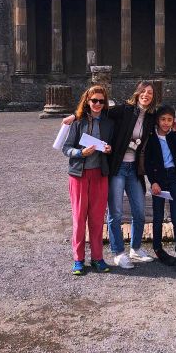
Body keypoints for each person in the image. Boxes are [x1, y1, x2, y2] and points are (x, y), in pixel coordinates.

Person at [62, 85, 114, 275]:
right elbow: (66, 148)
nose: (98, 104)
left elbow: (112, 146)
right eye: (94, 101)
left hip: (100, 174)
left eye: (101, 101)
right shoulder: (78, 122)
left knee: (97, 219)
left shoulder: (109, 123)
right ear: (87, 101)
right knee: (78, 218)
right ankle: (78, 259)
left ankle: (98, 258)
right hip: (79, 175)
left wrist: (109, 149)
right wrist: (80, 152)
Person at [105, 81, 157, 269]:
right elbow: (100, 113)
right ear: (137, 93)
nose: (146, 95)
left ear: (153, 97)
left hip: (134, 170)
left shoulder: (151, 117)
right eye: (143, 91)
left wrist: (174, 128)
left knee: (140, 212)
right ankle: (118, 253)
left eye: (150, 93)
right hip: (118, 168)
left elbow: (164, 123)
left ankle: (135, 248)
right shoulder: (125, 110)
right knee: (116, 213)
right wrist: (75, 117)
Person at [144, 104, 176, 272]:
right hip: (159, 180)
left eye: (169, 120)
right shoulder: (151, 137)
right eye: (163, 119)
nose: (166, 123)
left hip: (173, 178)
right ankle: (157, 248)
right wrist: (153, 181)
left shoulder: (173, 135)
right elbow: (147, 162)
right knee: (158, 215)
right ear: (157, 120)